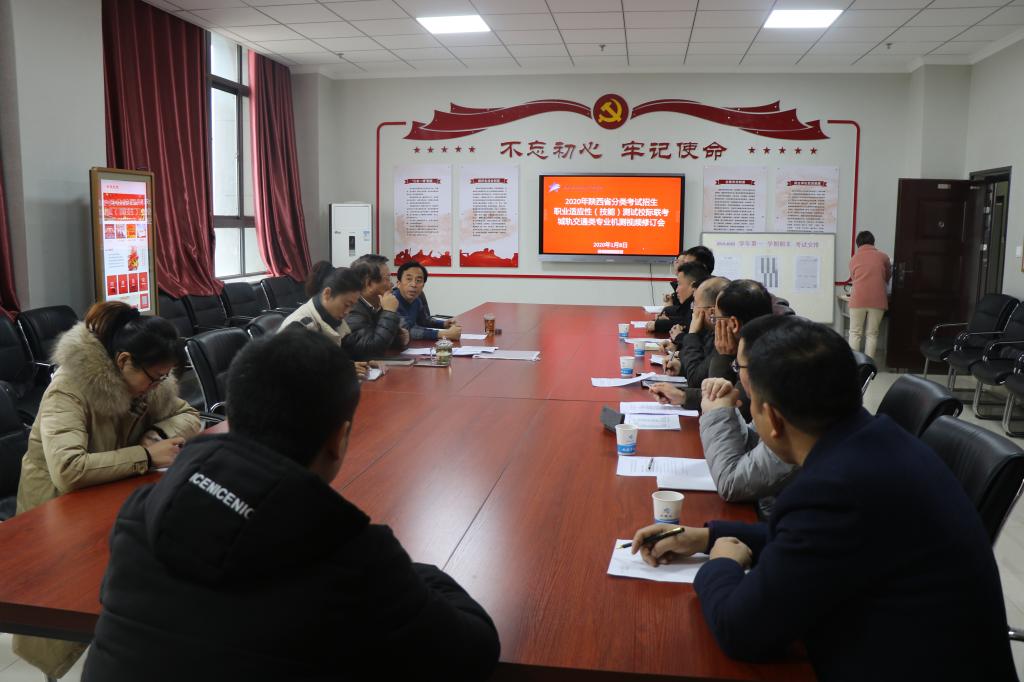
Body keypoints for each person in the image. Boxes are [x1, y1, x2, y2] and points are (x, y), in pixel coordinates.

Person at [83, 329, 501, 681]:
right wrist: (413, 571)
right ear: (339, 439)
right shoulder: (354, 561)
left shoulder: (142, 510)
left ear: (234, 414)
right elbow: (475, 650)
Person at [630, 317, 1017, 681]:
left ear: (772, 418)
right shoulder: (874, 440)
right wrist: (708, 537)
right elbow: (813, 542)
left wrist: (720, 564)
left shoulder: (833, 489)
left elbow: (740, 631)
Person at [14, 301, 202, 679]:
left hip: (107, 494)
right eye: (154, 377)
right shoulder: (69, 389)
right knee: (69, 610)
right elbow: (69, 469)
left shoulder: (148, 381)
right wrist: (145, 456)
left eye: (164, 377)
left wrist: (158, 432)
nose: (159, 385)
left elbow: (188, 414)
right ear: (123, 361)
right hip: (55, 508)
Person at [281, 266, 383, 380]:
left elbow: (341, 353)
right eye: (346, 304)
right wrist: (341, 370)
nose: (348, 312)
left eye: (352, 306)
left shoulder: (331, 317)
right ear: (327, 293)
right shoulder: (299, 327)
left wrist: (364, 361)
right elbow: (297, 375)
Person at [344, 254, 410, 359]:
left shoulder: (375, 305)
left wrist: (398, 338)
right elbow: (371, 351)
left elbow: (381, 336)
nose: (391, 284)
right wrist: (389, 312)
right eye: (387, 279)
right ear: (369, 284)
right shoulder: (352, 310)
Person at [847, 230, 891, 359]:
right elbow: (888, 276)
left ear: (858, 244)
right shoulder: (883, 257)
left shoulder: (854, 258)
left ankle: (856, 363)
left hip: (858, 300)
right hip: (878, 300)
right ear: (873, 242)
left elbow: (853, 278)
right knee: (872, 334)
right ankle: (869, 364)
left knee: (855, 332)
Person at [394, 260, 461, 341]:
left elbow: (425, 320)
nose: (414, 284)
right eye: (409, 279)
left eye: (418, 280)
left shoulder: (416, 300)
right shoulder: (392, 301)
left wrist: (444, 324)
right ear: (398, 283)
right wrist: (444, 334)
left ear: (423, 286)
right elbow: (405, 331)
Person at [648, 262, 708, 334]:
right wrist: (668, 319)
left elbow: (688, 324)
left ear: (693, 286)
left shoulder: (701, 306)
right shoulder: (691, 302)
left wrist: (659, 324)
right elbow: (683, 317)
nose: (676, 290)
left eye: (679, 284)